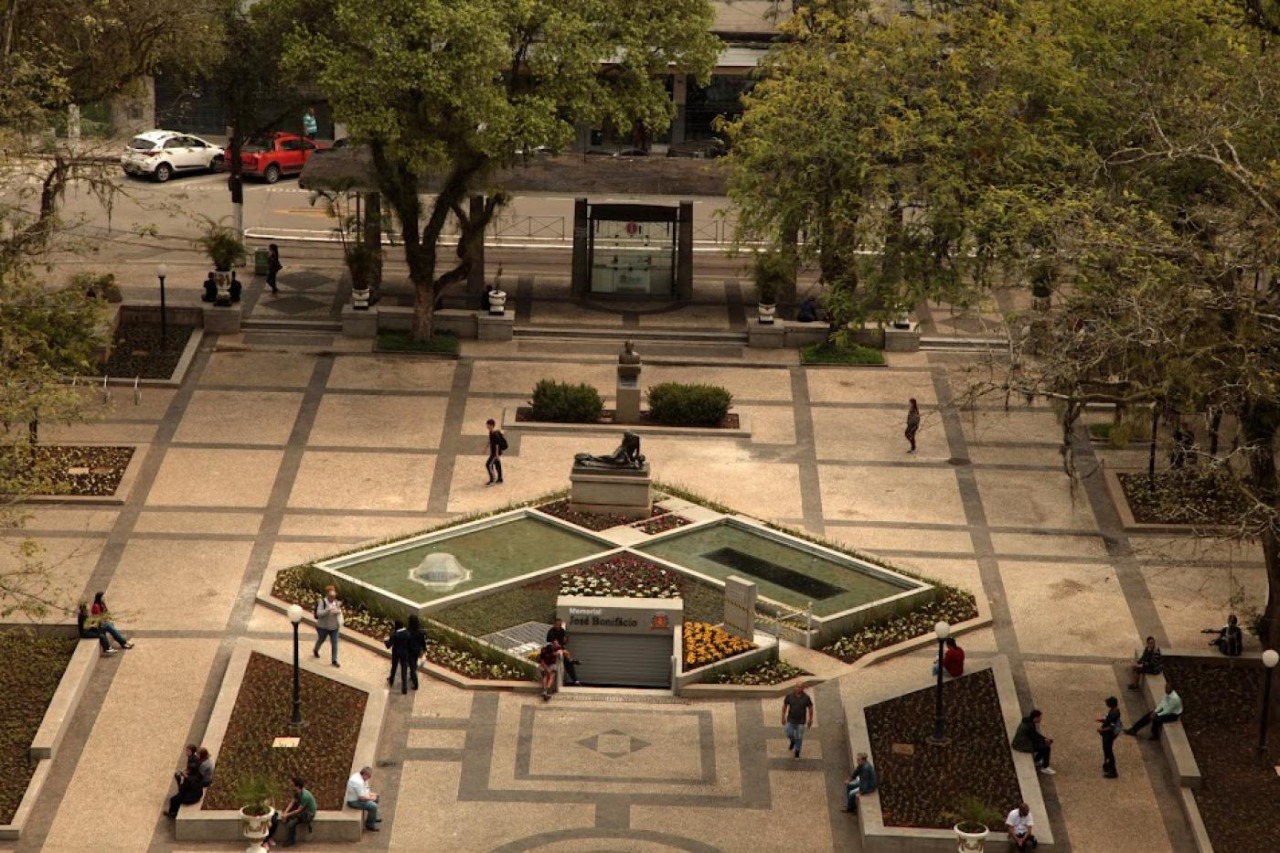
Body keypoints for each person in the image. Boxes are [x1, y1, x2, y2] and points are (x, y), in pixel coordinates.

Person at [267, 775, 317, 848]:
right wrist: (285, 813)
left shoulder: (305, 796)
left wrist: (287, 815)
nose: (291, 786)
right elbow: (292, 802)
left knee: (292, 822)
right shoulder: (297, 792)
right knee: (288, 815)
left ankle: (291, 840)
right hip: (302, 809)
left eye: (293, 785)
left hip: (308, 813)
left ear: (297, 786)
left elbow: (299, 810)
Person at [1011, 709, 1055, 775]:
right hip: (1022, 745)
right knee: (1046, 748)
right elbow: (1033, 737)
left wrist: (1044, 739)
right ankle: (1045, 767)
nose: (1040, 719)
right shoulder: (1029, 726)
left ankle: (1037, 760)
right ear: (1036, 717)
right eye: (1040, 717)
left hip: (1022, 742)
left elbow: (1035, 734)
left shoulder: (1029, 722)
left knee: (1043, 745)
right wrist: (1044, 741)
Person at [781, 682, 814, 759]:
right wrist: (783, 716)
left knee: (799, 737)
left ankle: (797, 751)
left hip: (801, 721)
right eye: (797, 687)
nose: (798, 688)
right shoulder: (789, 696)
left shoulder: (806, 698)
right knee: (789, 733)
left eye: (800, 687)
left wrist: (810, 719)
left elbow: (810, 707)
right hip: (791, 720)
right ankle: (793, 741)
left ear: (803, 688)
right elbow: (785, 705)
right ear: (795, 687)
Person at [312, 585, 342, 667]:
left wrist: (338, 611)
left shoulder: (336, 602)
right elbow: (319, 613)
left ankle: (334, 660)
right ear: (327, 595)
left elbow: (339, 611)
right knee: (321, 639)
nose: (332, 598)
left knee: (335, 643)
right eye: (331, 596)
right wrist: (327, 610)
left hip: (334, 627)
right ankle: (316, 649)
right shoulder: (323, 602)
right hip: (323, 627)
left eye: (334, 596)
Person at [546, 618, 580, 686]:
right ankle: (570, 660)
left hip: (561, 649)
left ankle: (575, 680)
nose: (559, 626)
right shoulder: (551, 632)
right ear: (554, 624)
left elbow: (564, 641)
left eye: (560, 625)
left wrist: (566, 640)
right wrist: (561, 649)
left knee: (569, 665)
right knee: (563, 658)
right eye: (558, 625)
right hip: (553, 650)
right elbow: (555, 644)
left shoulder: (562, 630)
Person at [345, 766, 380, 831]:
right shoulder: (357, 782)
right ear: (364, 775)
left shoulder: (361, 778)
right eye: (368, 777)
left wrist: (371, 795)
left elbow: (366, 789)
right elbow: (361, 797)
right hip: (354, 801)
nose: (368, 778)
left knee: (376, 797)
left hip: (360, 797)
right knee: (373, 806)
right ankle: (370, 825)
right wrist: (371, 798)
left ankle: (373, 818)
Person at [1097, 696, 1122, 778]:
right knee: (1106, 750)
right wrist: (1102, 720)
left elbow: (1111, 727)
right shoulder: (1113, 711)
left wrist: (1102, 730)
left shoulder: (1114, 714)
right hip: (1106, 735)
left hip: (1109, 735)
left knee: (1109, 751)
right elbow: (1108, 720)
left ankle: (1113, 771)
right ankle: (1107, 765)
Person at [384, 619, 412, 694]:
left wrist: (385, 640)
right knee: (404, 670)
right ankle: (404, 687)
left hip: (396, 653)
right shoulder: (407, 633)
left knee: (394, 667)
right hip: (404, 653)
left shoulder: (394, 634)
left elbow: (388, 646)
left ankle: (391, 680)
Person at [406, 614, 427, 690]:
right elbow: (423, 642)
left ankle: (416, 684)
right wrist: (424, 649)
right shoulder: (420, 632)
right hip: (417, 651)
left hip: (410, 651)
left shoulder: (408, 631)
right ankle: (412, 676)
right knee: (414, 664)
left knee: (412, 668)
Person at [485, 418, 505, 485]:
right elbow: (490, 441)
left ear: (491, 425)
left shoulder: (495, 435)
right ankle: (500, 479)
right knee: (497, 465)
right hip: (493, 452)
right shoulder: (491, 432)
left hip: (495, 453)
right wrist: (485, 448)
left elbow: (497, 445)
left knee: (488, 464)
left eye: (488, 425)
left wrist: (496, 455)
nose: (487, 426)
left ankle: (492, 479)